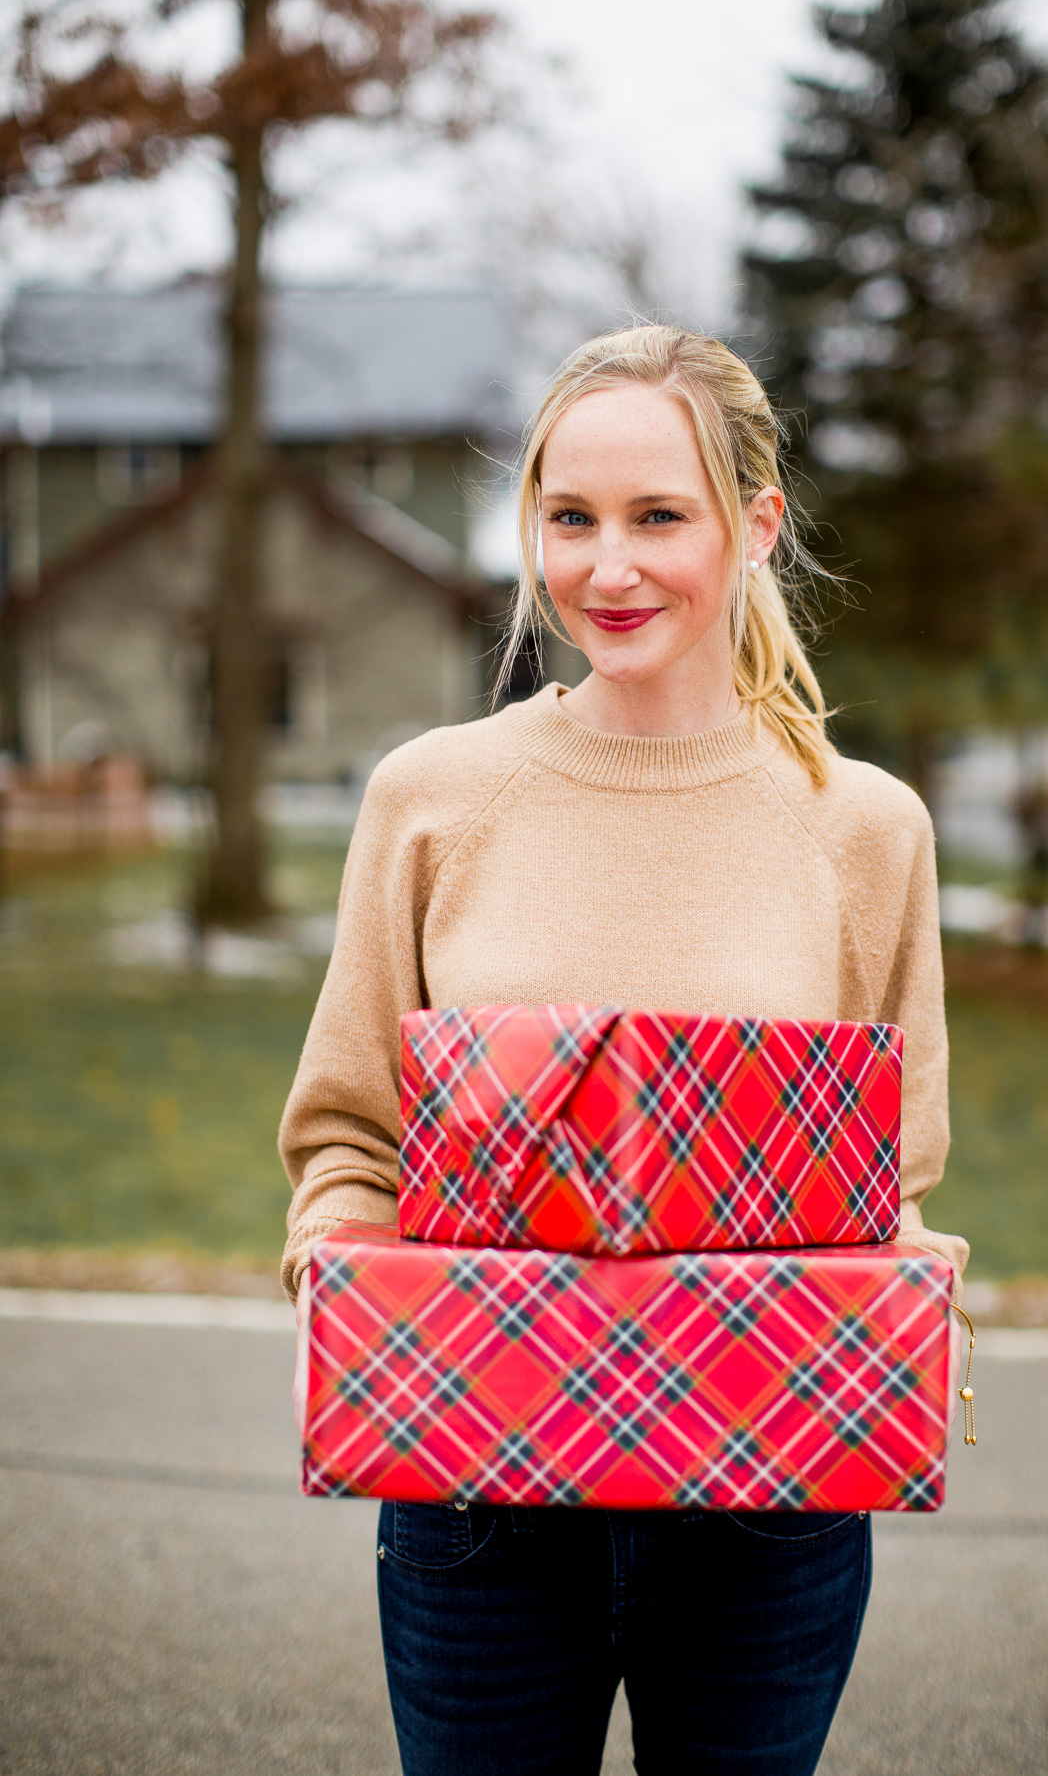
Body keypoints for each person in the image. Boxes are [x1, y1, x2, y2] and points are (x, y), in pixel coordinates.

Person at [279, 325, 968, 1776]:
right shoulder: (429, 798)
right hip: (475, 1496)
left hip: (770, 1499)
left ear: (756, 524)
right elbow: (348, 1141)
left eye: (660, 515)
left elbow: (882, 1182)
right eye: (570, 517)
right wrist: (340, 1290)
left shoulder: (866, 829)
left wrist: (915, 1300)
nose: (608, 567)